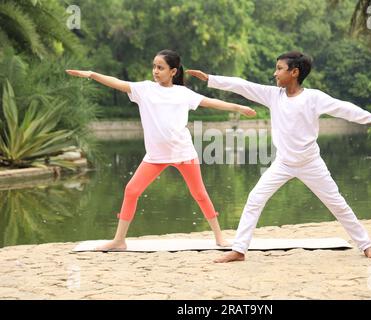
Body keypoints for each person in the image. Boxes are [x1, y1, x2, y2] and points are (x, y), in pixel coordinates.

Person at [186, 51, 371, 262]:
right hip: (283, 163)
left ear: (295, 72)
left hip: (311, 163)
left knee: (337, 204)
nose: (275, 73)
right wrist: (210, 79)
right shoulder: (273, 95)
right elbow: (243, 85)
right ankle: (239, 250)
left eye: (279, 69)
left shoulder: (313, 98)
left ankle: (366, 245)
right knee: (254, 199)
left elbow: (343, 108)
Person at [66, 49, 256, 251]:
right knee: (131, 190)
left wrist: (238, 108)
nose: (155, 71)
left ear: (173, 71)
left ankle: (219, 237)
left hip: (183, 153)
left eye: (160, 67)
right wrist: (92, 75)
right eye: (154, 66)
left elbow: (212, 103)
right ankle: (119, 240)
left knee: (199, 193)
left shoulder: (183, 93)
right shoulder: (144, 89)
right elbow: (117, 83)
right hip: (156, 156)